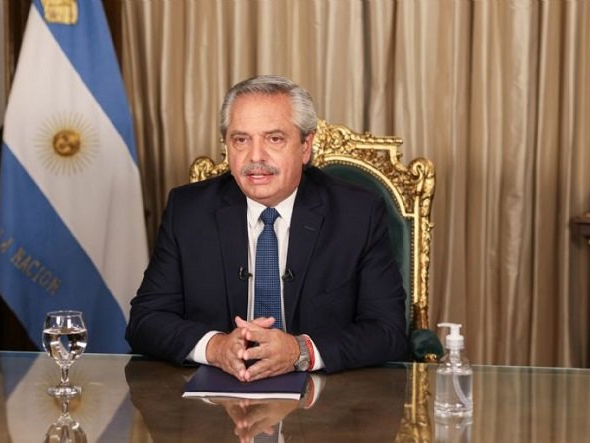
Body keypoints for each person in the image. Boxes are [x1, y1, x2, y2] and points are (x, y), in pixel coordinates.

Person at [126, 75, 407, 382]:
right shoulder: (189, 210)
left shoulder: (357, 213)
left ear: (305, 146)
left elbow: (387, 331)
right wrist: (216, 347)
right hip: (215, 398)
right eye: (241, 140)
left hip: (324, 397)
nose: (256, 157)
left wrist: (300, 351)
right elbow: (145, 321)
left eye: (274, 139)